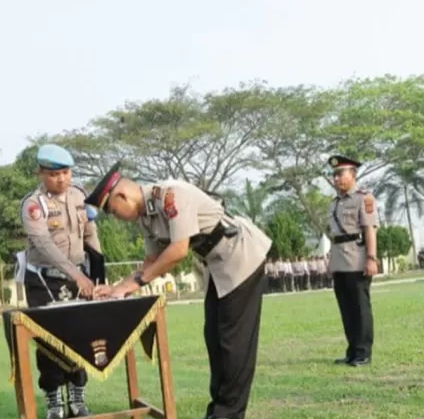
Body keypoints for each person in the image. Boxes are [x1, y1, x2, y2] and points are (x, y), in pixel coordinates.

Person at [89, 163, 272, 419]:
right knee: (214, 339)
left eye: (113, 211)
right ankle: (218, 411)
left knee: (233, 343)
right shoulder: (146, 217)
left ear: (122, 196)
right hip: (216, 266)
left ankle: (227, 415)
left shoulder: (171, 195)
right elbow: (151, 264)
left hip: (240, 256)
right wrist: (118, 289)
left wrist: (136, 284)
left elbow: (177, 251)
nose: (116, 217)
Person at [18, 143, 102, 419]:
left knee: (81, 337)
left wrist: (97, 271)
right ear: (40, 173)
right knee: (49, 342)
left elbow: (90, 233)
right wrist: (76, 274)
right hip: (44, 282)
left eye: (66, 173)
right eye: (55, 174)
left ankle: (77, 396)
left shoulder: (79, 195)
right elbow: (43, 244)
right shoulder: (34, 205)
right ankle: (54, 400)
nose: (62, 179)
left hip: (79, 279)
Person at [326, 155, 378, 367]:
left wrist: (371, 258)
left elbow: (369, 230)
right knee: (346, 309)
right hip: (340, 261)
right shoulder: (334, 204)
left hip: (357, 260)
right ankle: (352, 350)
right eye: (334, 175)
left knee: (360, 308)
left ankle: (363, 352)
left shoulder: (363, 199)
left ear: (353, 175)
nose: (336, 178)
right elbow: (335, 236)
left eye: (341, 174)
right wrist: (331, 262)